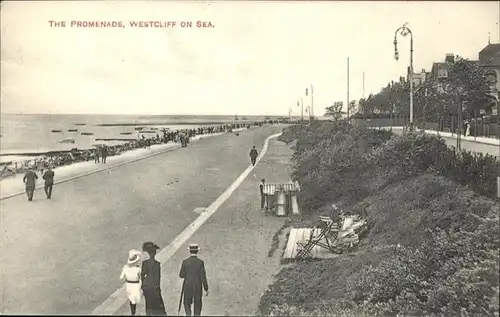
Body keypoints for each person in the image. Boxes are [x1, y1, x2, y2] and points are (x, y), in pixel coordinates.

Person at [179, 244, 209, 316]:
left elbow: (181, 275)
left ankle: (188, 314)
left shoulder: (185, 262)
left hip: (188, 285)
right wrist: (206, 288)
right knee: (198, 304)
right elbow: (203, 276)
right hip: (197, 286)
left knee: (187, 303)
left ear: (189, 251)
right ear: (197, 251)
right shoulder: (200, 262)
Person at [141, 241, 167, 316]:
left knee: (149, 306)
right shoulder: (157, 264)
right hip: (154, 287)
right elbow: (158, 278)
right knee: (159, 307)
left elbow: (142, 276)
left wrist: (143, 286)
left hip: (147, 287)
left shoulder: (145, 263)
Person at [120, 250, 143, 316]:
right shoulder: (138, 269)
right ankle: (133, 313)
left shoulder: (126, 268)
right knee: (134, 299)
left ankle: (133, 313)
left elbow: (121, 277)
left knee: (131, 299)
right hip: (135, 285)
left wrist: (126, 277)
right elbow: (140, 277)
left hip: (128, 285)